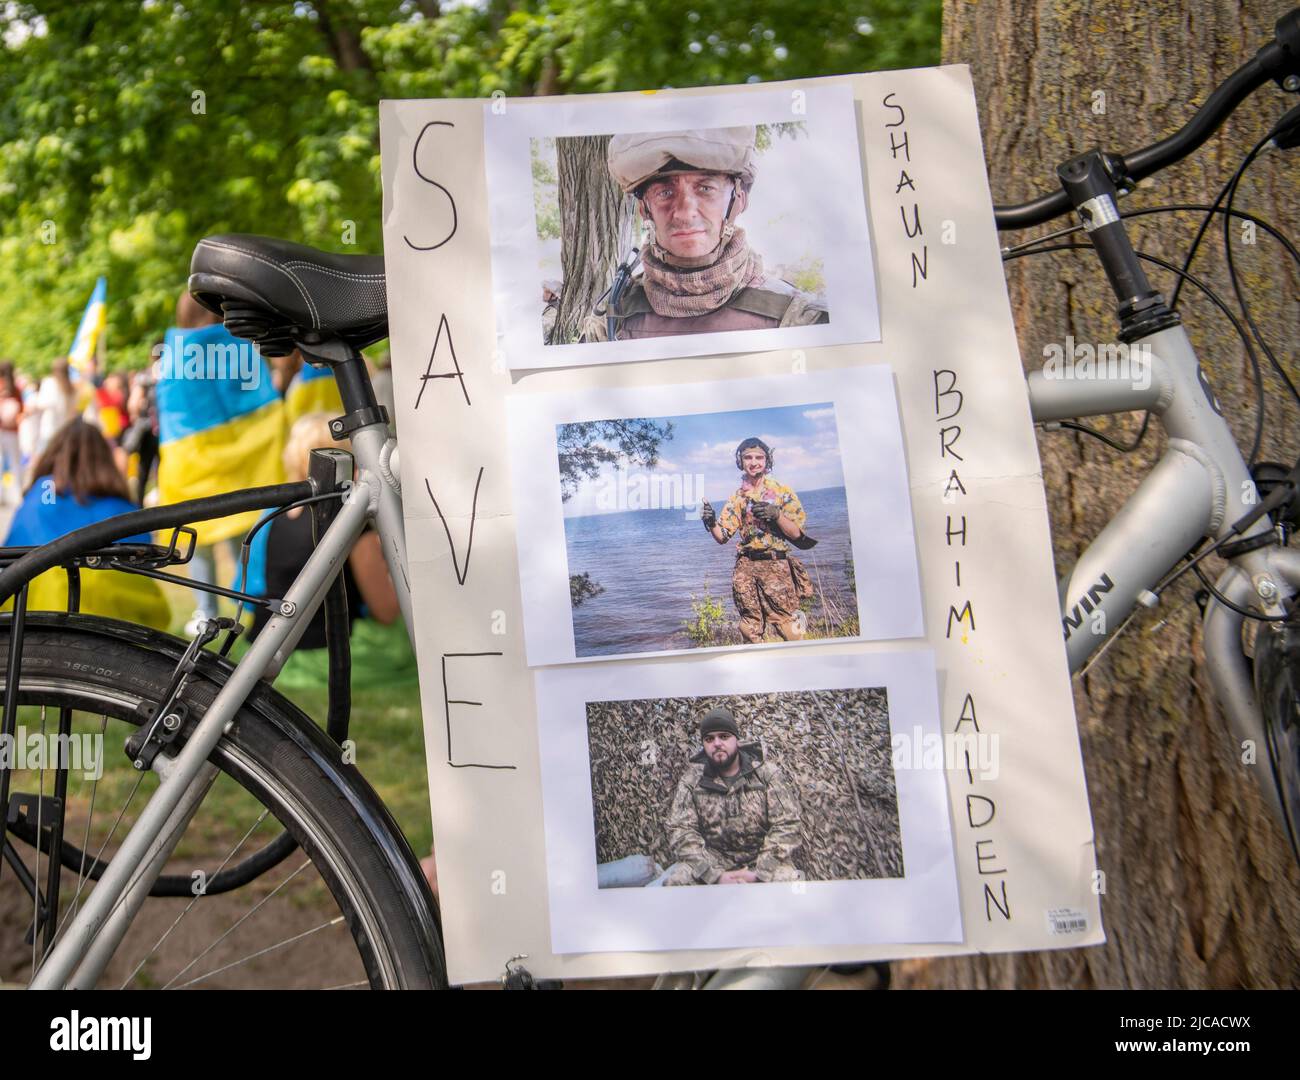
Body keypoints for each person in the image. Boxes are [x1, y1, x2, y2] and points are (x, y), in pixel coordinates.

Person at [582, 127, 828, 341]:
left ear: (739, 200)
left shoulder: (797, 318)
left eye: (705, 188)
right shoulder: (613, 319)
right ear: (644, 210)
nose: (685, 213)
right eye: (665, 193)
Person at [239, 412, 415, 692]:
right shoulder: (350, 522)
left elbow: (251, 594)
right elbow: (387, 610)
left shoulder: (272, 516)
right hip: (325, 652)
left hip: (264, 649)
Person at [156, 288, 285, 636]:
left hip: (192, 465)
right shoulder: (240, 349)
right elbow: (261, 401)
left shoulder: (174, 357)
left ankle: (206, 613)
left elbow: (170, 410)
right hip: (240, 464)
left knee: (198, 543)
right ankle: (249, 607)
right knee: (244, 537)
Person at [2, 418, 169, 629]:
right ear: (104, 459)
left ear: (55, 454)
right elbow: (144, 576)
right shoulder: (122, 507)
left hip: (30, 619)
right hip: (113, 626)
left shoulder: (39, 495)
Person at [656, 705, 802, 886]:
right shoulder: (692, 780)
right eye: (709, 739)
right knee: (676, 883)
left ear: (736, 739)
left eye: (724, 736)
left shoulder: (766, 774)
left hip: (761, 859)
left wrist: (760, 872)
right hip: (712, 861)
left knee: (793, 884)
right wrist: (714, 875)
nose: (717, 743)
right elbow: (680, 830)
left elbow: (787, 824)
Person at [700, 437, 815, 644]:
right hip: (746, 568)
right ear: (740, 462)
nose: (754, 462)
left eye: (759, 457)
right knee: (749, 628)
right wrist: (710, 522)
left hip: (776, 566)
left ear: (767, 460)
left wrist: (777, 515)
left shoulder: (782, 492)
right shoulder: (738, 498)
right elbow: (722, 537)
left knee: (788, 626)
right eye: (748, 457)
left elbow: (797, 535)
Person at [0, 362, 26, 505]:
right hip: (12, 432)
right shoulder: (15, 389)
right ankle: (17, 495)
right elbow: (22, 409)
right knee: (15, 463)